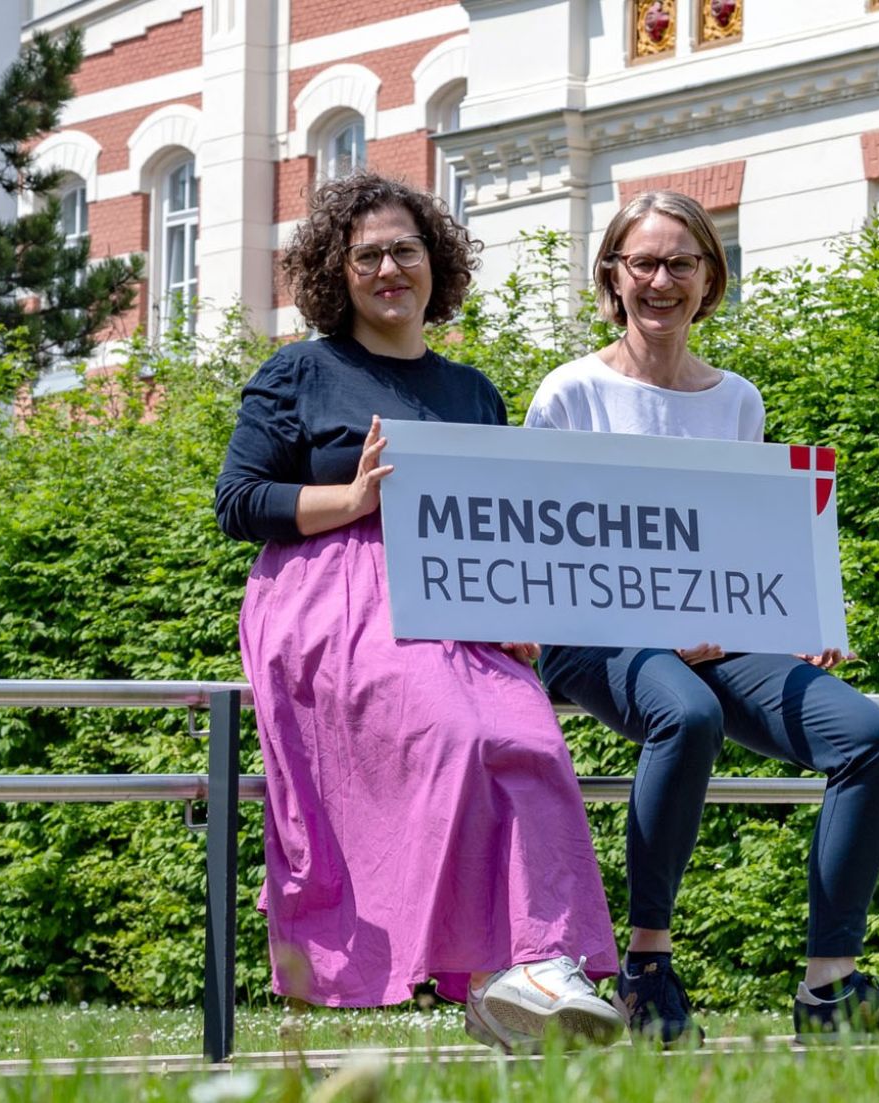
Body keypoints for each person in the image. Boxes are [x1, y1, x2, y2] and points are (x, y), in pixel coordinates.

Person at [524, 190, 879, 1046]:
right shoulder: (570, 392)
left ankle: (831, 989)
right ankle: (647, 969)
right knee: (688, 711)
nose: (661, 280)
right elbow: (542, 553)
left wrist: (800, 610)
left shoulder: (736, 400)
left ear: (710, 277)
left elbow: (739, 537)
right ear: (612, 276)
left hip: (713, 636)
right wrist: (663, 625)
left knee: (875, 738)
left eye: (682, 262)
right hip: (594, 636)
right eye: (642, 262)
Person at [214, 172, 623, 1052]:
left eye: (406, 248)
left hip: (457, 594)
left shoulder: (470, 391)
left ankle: (540, 968)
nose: (390, 267)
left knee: (532, 738)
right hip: (333, 593)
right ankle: (486, 972)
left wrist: (518, 603)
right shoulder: (300, 372)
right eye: (368, 254)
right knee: (454, 733)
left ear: (436, 262)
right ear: (337, 270)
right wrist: (355, 499)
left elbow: (500, 515)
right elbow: (238, 502)